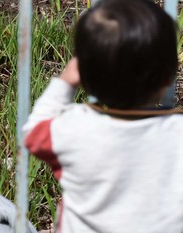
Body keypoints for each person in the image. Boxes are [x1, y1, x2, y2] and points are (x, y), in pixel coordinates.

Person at [23, 0, 183, 232]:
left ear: (82, 76)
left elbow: (33, 134)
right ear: (169, 77)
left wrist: (64, 83)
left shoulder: (73, 129)